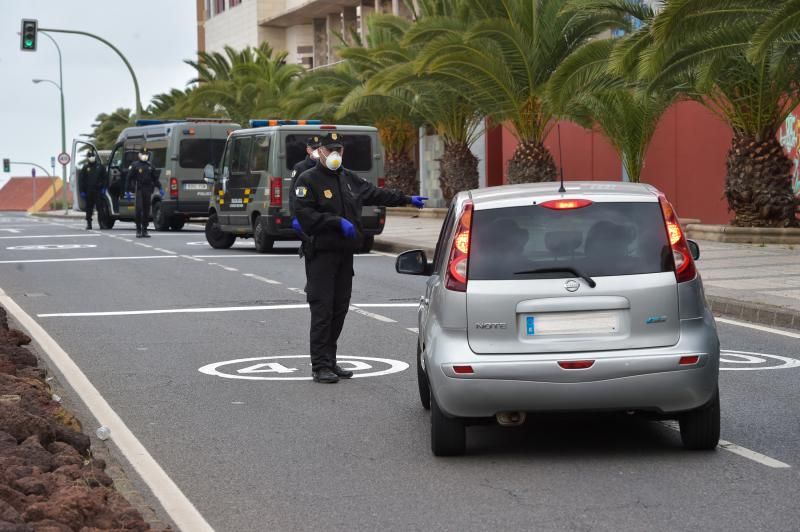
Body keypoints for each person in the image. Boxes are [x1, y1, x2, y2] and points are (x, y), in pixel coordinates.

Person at [293, 132, 427, 383]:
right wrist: (336, 222)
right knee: (323, 310)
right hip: (322, 254)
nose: (334, 154)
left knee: (339, 309)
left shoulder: (347, 178)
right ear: (319, 152)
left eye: (339, 150)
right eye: (329, 150)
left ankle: (331, 361)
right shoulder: (307, 180)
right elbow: (304, 215)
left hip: (345, 254)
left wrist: (407, 199)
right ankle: (320, 365)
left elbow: (376, 193)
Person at [125, 148, 164, 238]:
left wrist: (160, 188)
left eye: (146, 154)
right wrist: (127, 190)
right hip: (139, 189)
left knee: (146, 210)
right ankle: (138, 230)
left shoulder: (150, 166)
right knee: (139, 209)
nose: (145, 156)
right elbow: (129, 178)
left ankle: (144, 230)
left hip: (148, 190)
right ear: (139, 154)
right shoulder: (135, 165)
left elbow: (155, 179)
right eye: (143, 154)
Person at [77, 150, 108, 230]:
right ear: (88, 158)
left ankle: (101, 224)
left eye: (93, 156)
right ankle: (89, 223)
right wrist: (82, 191)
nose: (92, 158)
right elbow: (81, 180)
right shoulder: (85, 167)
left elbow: (105, 178)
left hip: (98, 190)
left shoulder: (100, 167)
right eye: (90, 156)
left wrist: (104, 188)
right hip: (88, 191)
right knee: (89, 208)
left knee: (100, 208)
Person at [290, 136, 321, 216]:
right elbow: (293, 192)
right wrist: (294, 215)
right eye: (314, 149)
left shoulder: (326, 166)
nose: (317, 151)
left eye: (319, 148)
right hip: (306, 211)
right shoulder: (300, 167)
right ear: (308, 150)